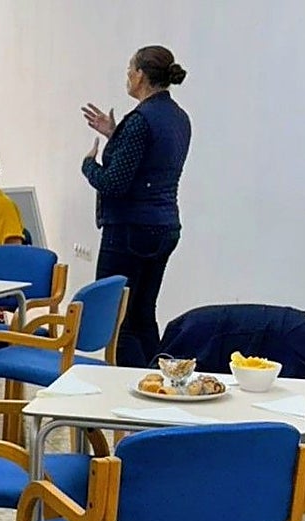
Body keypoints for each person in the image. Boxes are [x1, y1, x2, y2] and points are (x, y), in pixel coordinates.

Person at [82, 45, 191, 367]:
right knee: (144, 314)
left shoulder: (141, 120)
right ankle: (161, 385)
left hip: (130, 230)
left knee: (121, 321)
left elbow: (115, 183)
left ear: (141, 75)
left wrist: (88, 164)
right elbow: (150, 161)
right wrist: (116, 135)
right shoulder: (178, 117)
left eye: (130, 70)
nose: (127, 77)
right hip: (165, 226)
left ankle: (132, 398)